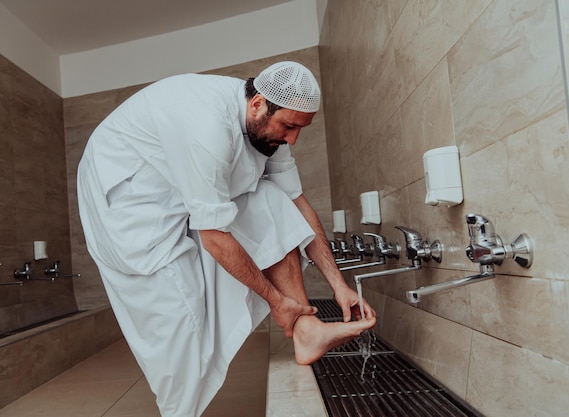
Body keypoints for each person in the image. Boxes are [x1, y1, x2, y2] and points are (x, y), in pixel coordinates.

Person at [77, 61, 376, 417]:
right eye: (290, 127)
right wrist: (275, 301)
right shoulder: (207, 128)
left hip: (178, 198)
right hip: (128, 205)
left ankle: (306, 330)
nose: (293, 139)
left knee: (270, 202)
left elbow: (295, 203)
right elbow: (216, 239)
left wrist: (338, 284)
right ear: (257, 104)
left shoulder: (271, 124)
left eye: (300, 129)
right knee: (181, 323)